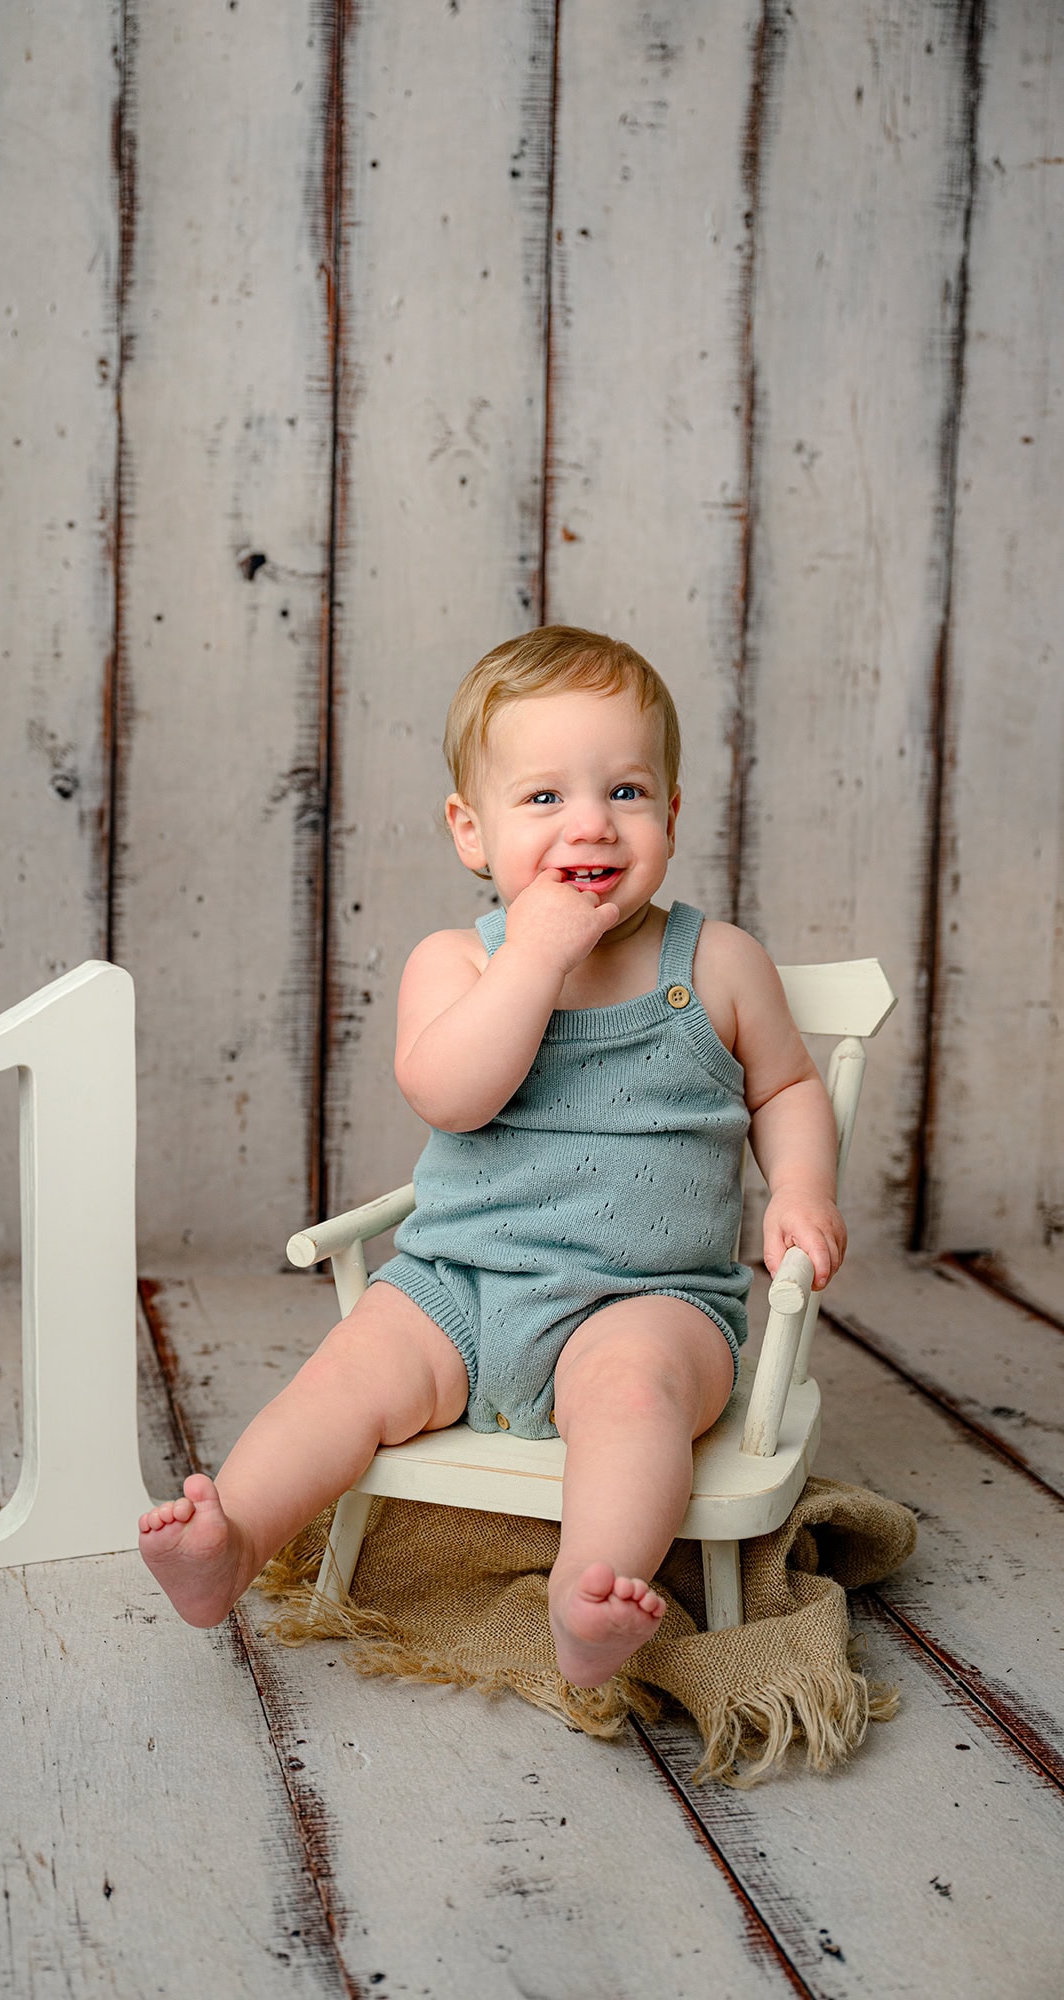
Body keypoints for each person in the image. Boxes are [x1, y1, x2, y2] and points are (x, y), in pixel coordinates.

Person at [140, 626, 844, 1686]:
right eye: (544, 797)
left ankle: (586, 1595)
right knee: (345, 1374)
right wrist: (536, 957)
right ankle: (231, 1539)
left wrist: (799, 1185)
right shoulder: (457, 962)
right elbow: (449, 1092)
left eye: (625, 791)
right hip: (456, 1286)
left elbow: (785, 1086)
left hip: (647, 1299)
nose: (591, 823)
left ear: (671, 812)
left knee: (634, 1399)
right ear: (472, 831)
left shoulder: (720, 963)